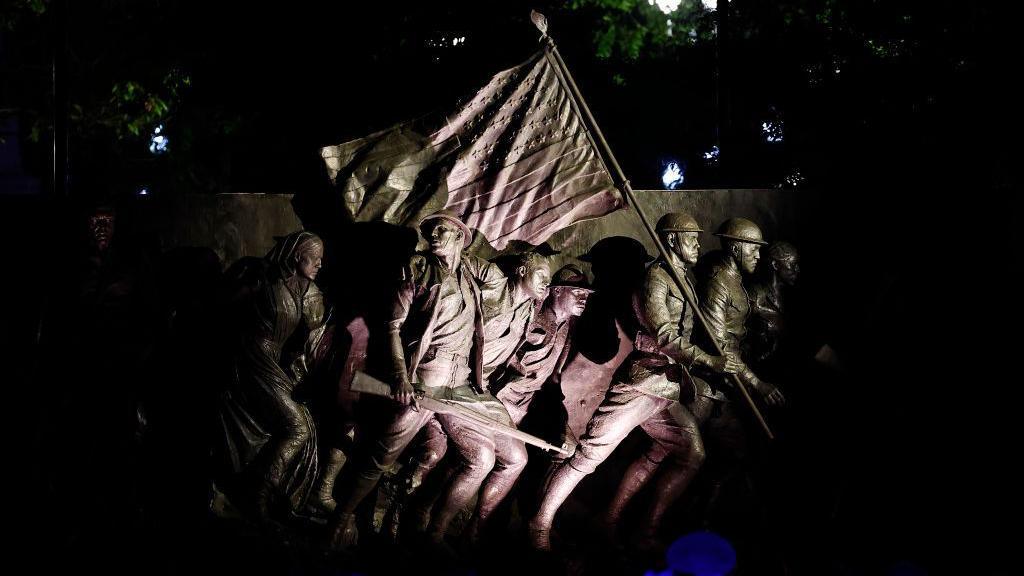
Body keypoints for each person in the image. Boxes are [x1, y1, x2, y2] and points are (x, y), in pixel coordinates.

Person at [528, 213, 739, 551]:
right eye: (691, 238)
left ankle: (625, 524)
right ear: (671, 240)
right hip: (643, 384)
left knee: (691, 453)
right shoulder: (654, 279)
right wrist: (708, 359)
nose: (698, 244)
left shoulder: (678, 277)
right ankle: (538, 525)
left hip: (666, 385)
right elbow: (664, 335)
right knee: (587, 457)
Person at [326, 210, 535, 549]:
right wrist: (400, 376)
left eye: (442, 229)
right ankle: (342, 517)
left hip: (464, 383)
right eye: (430, 230)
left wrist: (466, 254)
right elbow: (391, 327)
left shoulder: (469, 271)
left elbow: (496, 280)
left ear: (458, 237)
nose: (433, 234)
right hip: (429, 379)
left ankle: (434, 532)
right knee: (385, 451)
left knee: (509, 440)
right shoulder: (417, 268)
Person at [217, 231, 327, 520]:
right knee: (298, 427)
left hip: (273, 362)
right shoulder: (260, 277)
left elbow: (310, 341)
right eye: (314, 258)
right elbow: (224, 309)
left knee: (305, 422)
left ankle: (274, 491)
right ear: (296, 256)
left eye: (321, 260)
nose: (319, 265)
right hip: (250, 358)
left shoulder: (307, 292)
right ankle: (258, 495)